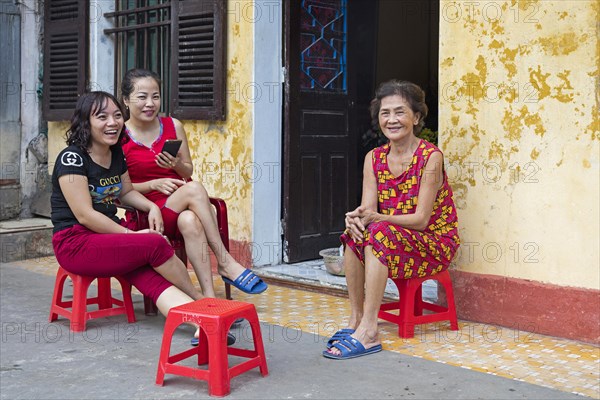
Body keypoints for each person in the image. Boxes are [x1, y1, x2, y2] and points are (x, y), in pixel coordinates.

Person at [323, 80, 460, 360]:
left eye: (400, 112)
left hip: (432, 243)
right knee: (355, 234)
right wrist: (356, 219)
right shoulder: (373, 158)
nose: (392, 119)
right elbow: (368, 209)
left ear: (416, 117)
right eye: (385, 113)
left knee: (379, 232)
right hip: (394, 237)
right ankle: (356, 320)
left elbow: (422, 220)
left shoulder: (430, 157)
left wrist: (375, 218)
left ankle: (371, 331)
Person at [50, 91, 203, 339]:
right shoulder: (72, 159)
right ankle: (202, 303)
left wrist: (152, 207)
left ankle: (198, 321)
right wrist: (132, 235)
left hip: (106, 237)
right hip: (75, 243)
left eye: (117, 115)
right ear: (85, 122)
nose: (113, 123)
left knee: (146, 273)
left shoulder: (116, 153)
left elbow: (127, 191)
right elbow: (85, 216)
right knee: (153, 242)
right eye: (102, 117)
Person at [119, 68, 267, 298]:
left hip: (181, 205)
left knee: (190, 220)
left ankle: (208, 299)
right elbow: (119, 189)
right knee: (195, 188)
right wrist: (154, 184)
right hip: (148, 213)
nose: (150, 103)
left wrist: (175, 164)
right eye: (142, 97)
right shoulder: (119, 136)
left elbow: (187, 170)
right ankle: (225, 261)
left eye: (155, 96)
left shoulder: (173, 126)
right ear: (126, 100)